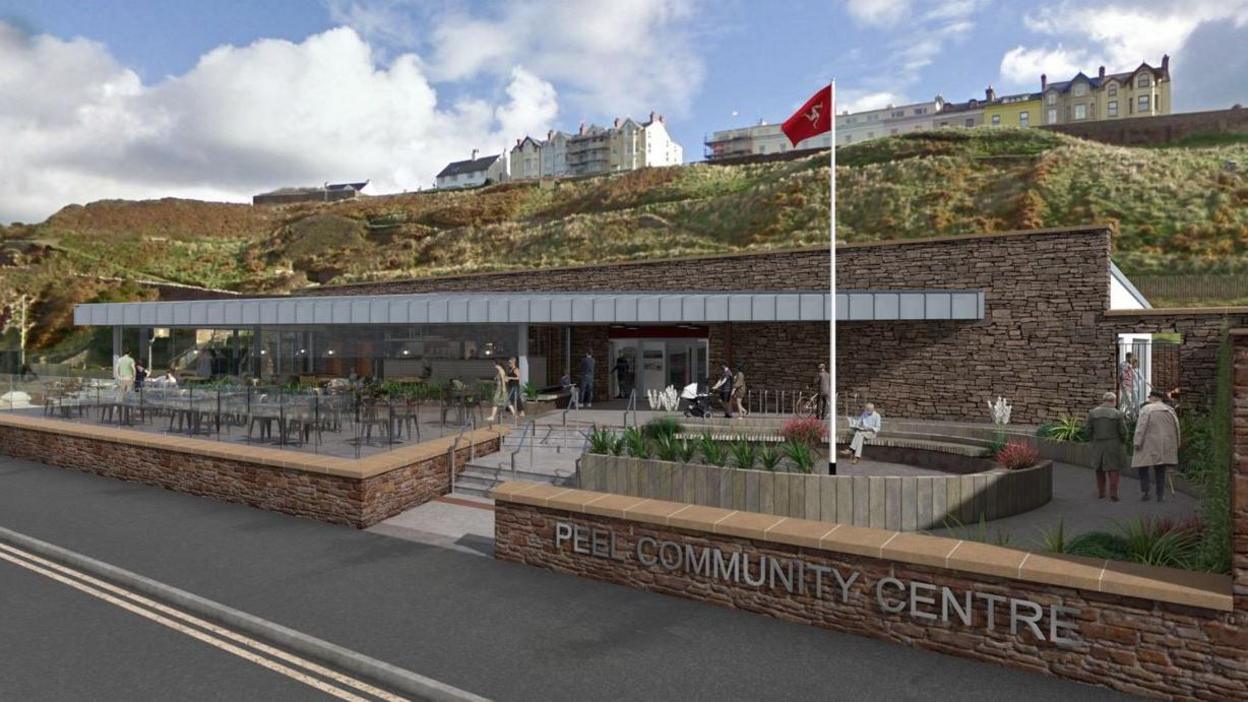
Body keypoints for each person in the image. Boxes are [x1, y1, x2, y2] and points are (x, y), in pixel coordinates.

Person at [1132, 389, 1181, 502]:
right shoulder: (1170, 410)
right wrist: (1177, 443)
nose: (1149, 399)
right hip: (1164, 445)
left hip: (1148, 444)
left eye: (1150, 397)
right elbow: (1177, 428)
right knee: (1160, 470)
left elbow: (1141, 427)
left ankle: (1146, 491)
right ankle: (1160, 494)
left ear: (1153, 398)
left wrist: (1137, 442)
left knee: (1143, 467)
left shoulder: (1147, 409)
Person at [1084, 391, 1128, 501]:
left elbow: (1088, 430)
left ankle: (1101, 492)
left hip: (1098, 443)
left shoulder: (1092, 413)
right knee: (1114, 469)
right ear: (1113, 401)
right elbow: (1123, 431)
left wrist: (1092, 440)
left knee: (1099, 469)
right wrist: (1123, 441)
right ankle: (1113, 493)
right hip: (1114, 444)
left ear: (1103, 400)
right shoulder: (1118, 414)